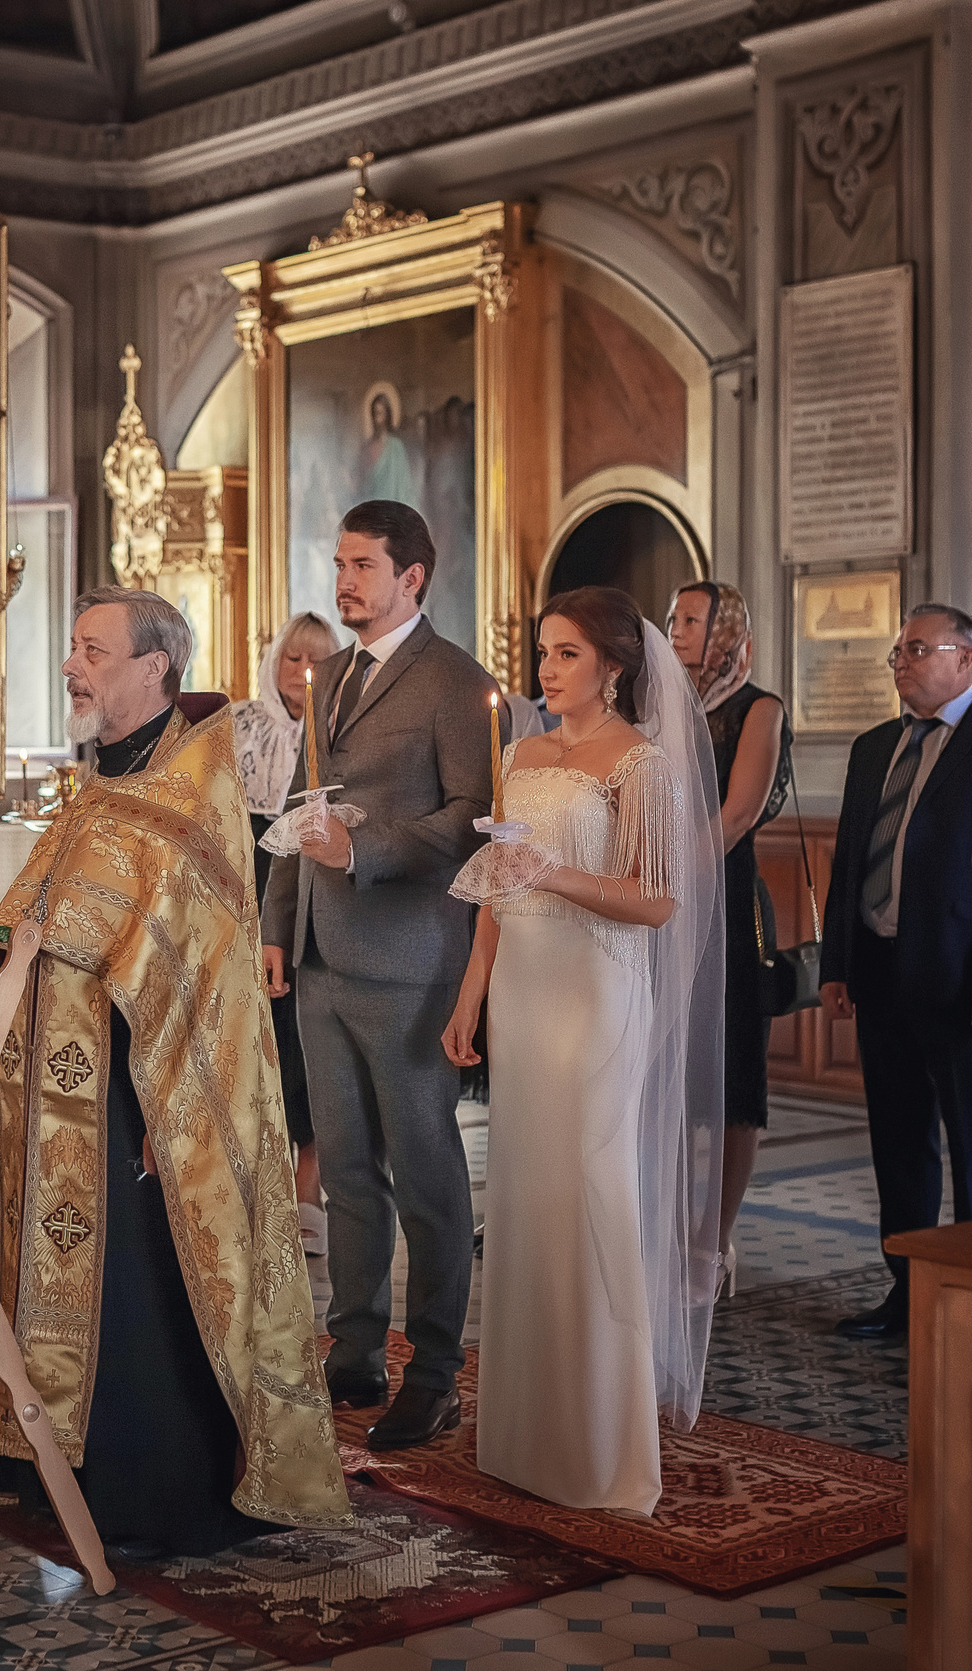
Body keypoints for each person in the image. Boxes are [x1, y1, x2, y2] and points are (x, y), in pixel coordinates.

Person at [0, 588, 350, 1560]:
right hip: (48, 1082)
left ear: (153, 667)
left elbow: (176, 949)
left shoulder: (193, 788)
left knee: (136, 1287)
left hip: (143, 1093)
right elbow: (49, 910)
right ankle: (38, 1464)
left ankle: (146, 1491)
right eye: (74, 646)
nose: (71, 664)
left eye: (92, 649)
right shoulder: (107, 776)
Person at [441, 587, 726, 1514]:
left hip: (596, 993)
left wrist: (552, 872)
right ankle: (527, 1436)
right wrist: (471, 994)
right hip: (522, 990)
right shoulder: (520, 752)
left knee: (591, 1189)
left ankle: (601, 1446)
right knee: (526, 1197)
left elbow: (656, 901)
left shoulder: (641, 764)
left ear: (611, 665)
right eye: (542, 652)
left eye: (565, 654)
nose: (546, 670)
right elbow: (493, 886)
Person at [260, 499, 495, 1451]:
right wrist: (280, 923)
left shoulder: (457, 683)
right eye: (340, 561)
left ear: (412, 578)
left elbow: (476, 816)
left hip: (410, 962)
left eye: (363, 565)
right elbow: (295, 803)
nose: (344, 580)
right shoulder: (329, 678)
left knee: (427, 1173)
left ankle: (433, 1368)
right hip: (319, 955)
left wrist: (366, 851)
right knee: (347, 1174)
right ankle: (352, 1349)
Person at [818, 604, 972, 1339]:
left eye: (918, 648)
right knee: (898, 1140)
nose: (902, 661)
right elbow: (850, 862)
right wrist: (838, 964)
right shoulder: (873, 746)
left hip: (964, 980)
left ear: (967, 659)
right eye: (898, 650)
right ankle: (909, 1291)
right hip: (882, 969)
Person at [667, 581, 789, 1293]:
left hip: (724, 904)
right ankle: (670, 1226)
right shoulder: (656, 699)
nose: (676, 628)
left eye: (690, 619)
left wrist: (675, 880)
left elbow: (739, 813)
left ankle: (714, 1241)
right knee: (671, 1074)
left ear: (725, 630)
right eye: (674, 617)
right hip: (657, 904)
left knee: (735, 1079)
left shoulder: (757, 708)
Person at [232, 611, 342, 1255]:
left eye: (317, 661)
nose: (303, 673)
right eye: (292, 658)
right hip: (248, 885)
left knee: (311, 1048)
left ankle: (309, 1189)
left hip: (314, 890)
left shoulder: (339, 730)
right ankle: (258, 1189)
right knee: (260, 1045)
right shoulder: (240, 726)